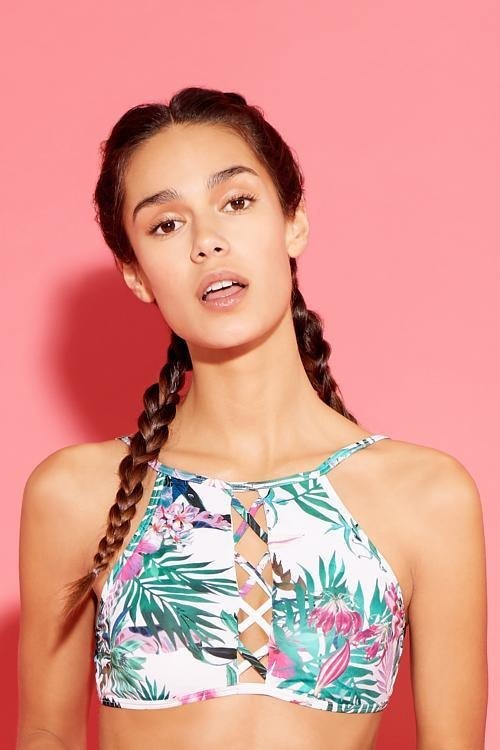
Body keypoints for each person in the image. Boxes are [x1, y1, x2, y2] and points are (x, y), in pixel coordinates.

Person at [17, 87, 487, 750]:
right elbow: (46, 735)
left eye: (236, 202)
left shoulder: (427, 497)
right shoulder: (76, 494)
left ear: (293, 220)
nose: (208, 242)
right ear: (136, 274)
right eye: (165, 225)